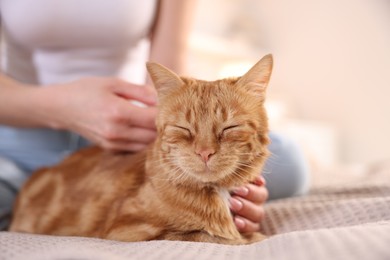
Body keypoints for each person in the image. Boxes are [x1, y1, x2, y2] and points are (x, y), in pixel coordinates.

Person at [0, 0, 309, 232]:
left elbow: (168, 75)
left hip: (133, 128)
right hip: (26, 123)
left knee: (290, 162)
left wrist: (168, 124)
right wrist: (62, 107)